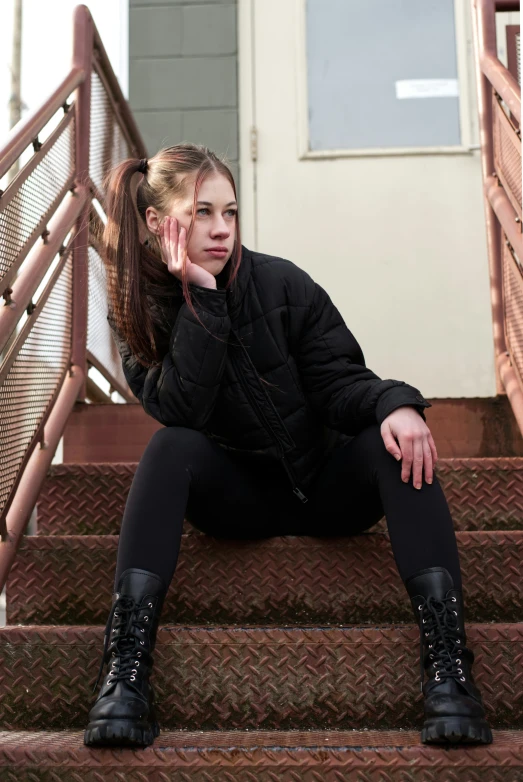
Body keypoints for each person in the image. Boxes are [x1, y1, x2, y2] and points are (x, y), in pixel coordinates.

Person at [84, 143, 492, 749]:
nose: (222, 230)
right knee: (169, 448)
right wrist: (203, 299)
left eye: (230, 212)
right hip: (237, 502)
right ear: (156, 223)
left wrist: (395, 403)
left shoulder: (281, 282)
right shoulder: (140, 313)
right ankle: (125, 674)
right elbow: (181, 410)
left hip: (325, 487)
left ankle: (449, 674)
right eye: (202, 213)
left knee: (398, 446)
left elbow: (339, 382)